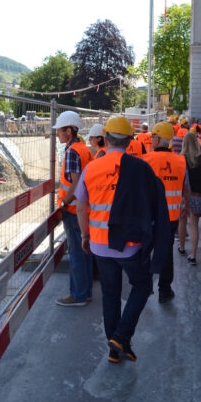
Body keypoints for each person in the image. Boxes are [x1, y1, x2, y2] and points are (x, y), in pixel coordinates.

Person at [75, 115, 170, 363]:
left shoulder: (91, 168)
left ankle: (114, 349)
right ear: (129, 142)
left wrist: (85, 235)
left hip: (99, 244)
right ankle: (120, 336)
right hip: (129, 246)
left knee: (110, 295)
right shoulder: (140, 168)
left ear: (105, 139)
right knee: (143, 286)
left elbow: (81, 206)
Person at [142, 122, 186, 303]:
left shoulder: (146, 160)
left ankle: (144, 288)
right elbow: (185, 188)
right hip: (171, 217)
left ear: (159, 139)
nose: (151, 139)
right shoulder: (181, 161)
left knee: (145, 251)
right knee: (167, 253)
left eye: (153, 136)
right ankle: (165, 291)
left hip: (150, 216)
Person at [54, 110, 93, 306]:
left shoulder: (71, 152)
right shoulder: (84, 149)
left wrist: (63, 202)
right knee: (85, 252)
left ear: (68, 131)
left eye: (59, 130)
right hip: (84, 209)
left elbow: (76, 185)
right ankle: (85, 291)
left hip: (72, 211)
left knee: (77, 253)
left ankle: (78, 295)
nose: (57, 134)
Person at [180, 132, 201, 265]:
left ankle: (181, 247)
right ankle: (193, 255)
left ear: (185, 144)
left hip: (185, 196)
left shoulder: (182, 159)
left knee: (182, 221)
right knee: (194, 225)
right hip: (199, 197)